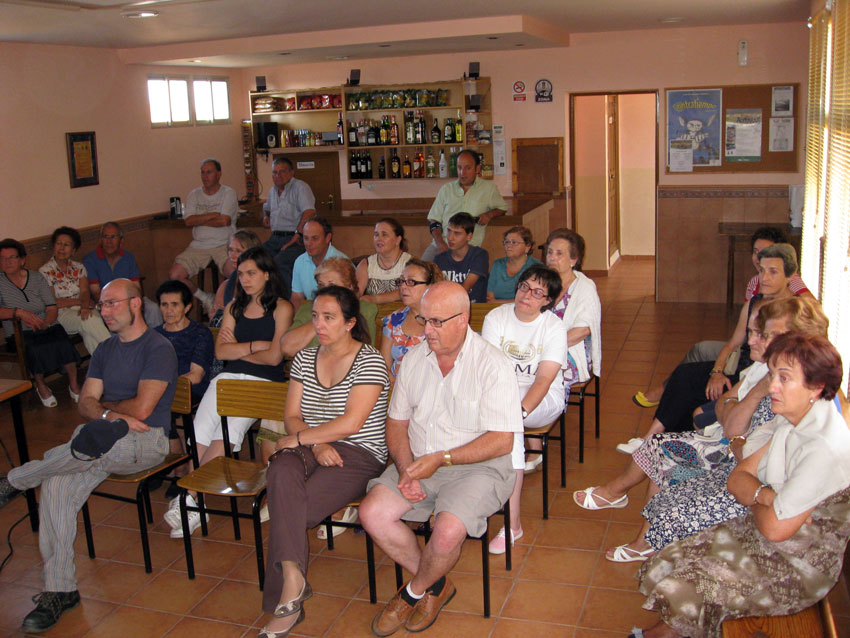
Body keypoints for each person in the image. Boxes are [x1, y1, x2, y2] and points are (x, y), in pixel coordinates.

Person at [574, 296, 828, 562]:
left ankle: (631, 517)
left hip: (736, 462)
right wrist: (734, 416)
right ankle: (637, 527)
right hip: (735, 453)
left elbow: (739, 435)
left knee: (666, 450)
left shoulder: (789, 392)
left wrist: (738, 415)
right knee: (662, 441)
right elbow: (724, 409)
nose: (754, 340)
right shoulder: (766, 372)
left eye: (767, 334)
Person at [633, 333, 850, 638]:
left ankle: (658, 634)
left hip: (799, 562)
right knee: (672, 557)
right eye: (772, 375)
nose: (772, 387)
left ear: (816, 387)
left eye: (784, 378)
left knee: (691, 584)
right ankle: (666, 631)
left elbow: (773, 528)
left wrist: (757, 494)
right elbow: (739, 475)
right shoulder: (794, 416)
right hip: (765, 530)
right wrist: (767, 497)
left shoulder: (822, 446)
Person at [0, 278, 177, 633]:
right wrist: (111, 415)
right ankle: (60, 589)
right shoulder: (105, 349)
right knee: (57, 484)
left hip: (148, 441)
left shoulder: (158, 347)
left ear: (135, 303)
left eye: (112, 303)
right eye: (101, 305)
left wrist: (107, 411)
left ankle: (17, 480)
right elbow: (85, 403)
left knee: (93, 437)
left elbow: (142, 410)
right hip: (104, 440)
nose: (104, 311)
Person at [360, 281, 521, 636]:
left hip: (478, 468)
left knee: (447, 532)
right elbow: (396, 423)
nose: (426, 330)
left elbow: (501, 441)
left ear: (462, 320)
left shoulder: (493, 364)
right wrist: (405, 469)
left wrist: (443, 458)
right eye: (423, 319)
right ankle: (437, 584)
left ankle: (413, 592)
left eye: (436, 322)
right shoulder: (414, 359)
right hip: (419, 460)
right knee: (372, 513)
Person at [258, 286, 389, 638]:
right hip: (314, 443)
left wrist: (304, 439)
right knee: (281, 467)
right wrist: (314, 444)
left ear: (350, 322)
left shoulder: (370, 360)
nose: (319, 324)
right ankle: (293, 583)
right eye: (316, 316)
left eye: (329, 317)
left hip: (359, 451)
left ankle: (288, 592)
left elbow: (353, 423)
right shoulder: (305, 358)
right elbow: (291, 416)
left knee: (290, 508)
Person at [162, 247, 292, 538]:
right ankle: (194, 504)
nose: (245, 279)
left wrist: (241, 349)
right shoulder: (234, 307)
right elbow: (221, 352)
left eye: (251, 273)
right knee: (200, 433)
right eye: (241, 274)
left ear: (267, 275)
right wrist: (257, 346)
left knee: (226, 434)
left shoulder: (281, 307)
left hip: (262, 383)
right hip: (227, 378)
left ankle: (189, 498)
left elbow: (275, 358)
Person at [622, 243, 801, 451]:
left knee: (690, 389)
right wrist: (717, 372)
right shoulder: (754, 303)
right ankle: (653, 439)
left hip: (754, 377)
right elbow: (732, 344)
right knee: (684, 375)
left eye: (773, 272)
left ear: (790, 275)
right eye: (761, 271)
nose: (764, 278)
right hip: (738, 370)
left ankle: (656, 441)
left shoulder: (796, 311)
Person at [632, 225, 810, 409]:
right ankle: (666, 395)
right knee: (695, 360)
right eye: (756, 252)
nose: (758, 258)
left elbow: (810, 308)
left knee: (697, 359)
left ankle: (664, 394)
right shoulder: (755, 283)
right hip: (745, 348)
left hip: (756, 359)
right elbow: (740, 333)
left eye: (765, 252)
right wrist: (717, 371)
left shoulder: (792, 284)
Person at [481, 265, 565, 554]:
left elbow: (544, 379)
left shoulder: (553, 327)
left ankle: (512, 524)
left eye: (538, 292)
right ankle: (511, 523)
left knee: (510, 424)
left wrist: (519, 412)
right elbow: (489, 370)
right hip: (501, 396)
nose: (527, 295)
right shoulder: (496, 317)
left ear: (548, 301)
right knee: (507, 427)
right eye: (525, 287)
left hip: (543, 400)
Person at [539, 228, 601, 472]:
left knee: (542, 372)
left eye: (559, 254)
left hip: (573, 352)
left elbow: (583, 330)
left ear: (574, 259)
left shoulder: (584, 287)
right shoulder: (541, 282)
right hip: (541, 347)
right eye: (550, 252)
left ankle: (536, 427)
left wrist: (547, 347)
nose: (552, 258)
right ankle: (526, 435)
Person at [0, 238, 81, 407]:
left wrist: (46, 323)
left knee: (62, 341)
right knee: (33, 348)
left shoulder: (36, 277)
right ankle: (41, 385)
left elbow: (51, 306)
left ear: (22, 260)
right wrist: (18, 312)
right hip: (19, 331)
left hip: (46, 324)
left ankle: (74, 384)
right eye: (2, 258)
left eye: (12, 257)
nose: (6, 262)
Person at [155, 280, 215, 495]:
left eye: (175, 304)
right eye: (164, 305)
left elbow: (196, 375)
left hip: (191, 389)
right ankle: (167, 461)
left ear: (187, 307)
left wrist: (160, 388)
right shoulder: (153, 334)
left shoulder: (199, 333)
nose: (169, 310)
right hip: (161, 390)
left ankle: (179, 466)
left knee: (164, 405)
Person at [168, 158, 238, 301]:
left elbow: (224, 221)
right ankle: (206, 298)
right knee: (175, 276)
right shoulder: (194, 194)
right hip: (199, 246)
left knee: (236, 274)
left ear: (219, 174)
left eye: (209, 172)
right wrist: (212, 215)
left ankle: (228, 305)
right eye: (202, 172)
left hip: (223, 244)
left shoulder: (228, 193)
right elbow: (188, 221)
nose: (205, 176)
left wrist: (199, 219)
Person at [422, 149, 507, 261]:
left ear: (477, 169)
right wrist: (440, 243)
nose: (462, 173)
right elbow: (434, 221)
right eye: (459, 168)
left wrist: (490, 214)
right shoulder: (446, 189)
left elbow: (502, 208)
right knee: (419, 268)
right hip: (442, 245)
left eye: (468, 168)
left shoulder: (489, 189)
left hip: (469, 248)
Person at [38, 226, 110, 356]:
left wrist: (84, 306)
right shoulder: (45, 271)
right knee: (91, 320)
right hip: (61, 314)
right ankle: (118, 353)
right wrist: (81, 303)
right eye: (59, 243)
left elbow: (85, 291)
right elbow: (53, 302)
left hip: (83, 309)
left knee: (89, 330)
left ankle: (104, 366)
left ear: (73, 250)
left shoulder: (79, 267)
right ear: (53, 246)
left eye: (66, 245)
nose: (61, 248)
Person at [82, 221, 162, 328]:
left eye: (113, 237)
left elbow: (136, 287)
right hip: (104, 303)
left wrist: (132, 303)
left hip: (129, 300)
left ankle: (157, 338)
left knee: (153, 308)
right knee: (115, 315)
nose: (109, 241)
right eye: (105, 237)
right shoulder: (90, 260)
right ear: (100, 239)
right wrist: (117, 305)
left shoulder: (128, 257)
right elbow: (97, 293)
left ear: (121, 240)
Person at [380, 258, 444, 384]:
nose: (403, 286)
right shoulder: (393, 319)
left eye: (411, 282)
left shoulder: (443, 321)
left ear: (430, 286)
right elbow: (384, 366)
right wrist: (398, 388)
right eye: (401, 281)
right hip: (395, 388)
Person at [261, 157, 316, 298]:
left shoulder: (300, 187)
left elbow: (309, 212)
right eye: (275, 172)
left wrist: (297, 234)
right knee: (256, 259)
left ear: (291, 173)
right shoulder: (272, 191)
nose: (278, 175)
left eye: (282, 172)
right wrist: (266, 217)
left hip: (296, 239)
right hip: (275, 239)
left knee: (280, 263)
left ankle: (288, 303)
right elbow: (266, 208)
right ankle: (266, 301)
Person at [289, 217, 349, 310]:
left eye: (315, 238)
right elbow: (297, 297)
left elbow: (348, 301)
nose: (309, 243)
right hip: (310, 312)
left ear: (328, 238)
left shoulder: (342, 262)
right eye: (306, 238)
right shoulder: (299, 261)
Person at [209, 230, 263, 327]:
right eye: (230, 250)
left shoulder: (261, 283)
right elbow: (215, 321)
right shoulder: (226, 285)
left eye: (238, 251)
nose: (232, 256)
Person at [434, 212, 489, 303]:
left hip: (474, 307)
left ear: (469, 236)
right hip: (447, 306)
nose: (450, 238)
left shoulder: (480, 255)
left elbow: (465, 288)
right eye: (449, 231)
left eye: (457, 233)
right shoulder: (439, 259)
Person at [355, 218, 412, 304]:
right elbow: (357, 293)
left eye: (384, 235)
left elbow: (407, 290)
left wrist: (374, 299)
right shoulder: (365, 264)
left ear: (398, 240)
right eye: (376, 235)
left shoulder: (410, 263)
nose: (379, 239)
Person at [486, 225, 542, 303]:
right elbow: (490, 298)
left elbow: (532, 299)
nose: (508, 246)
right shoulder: (497, 264)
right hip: (497, 309)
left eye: (514, 242)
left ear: (527, 247)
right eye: (506, 242)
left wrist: (499, 302)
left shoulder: (536, 267)